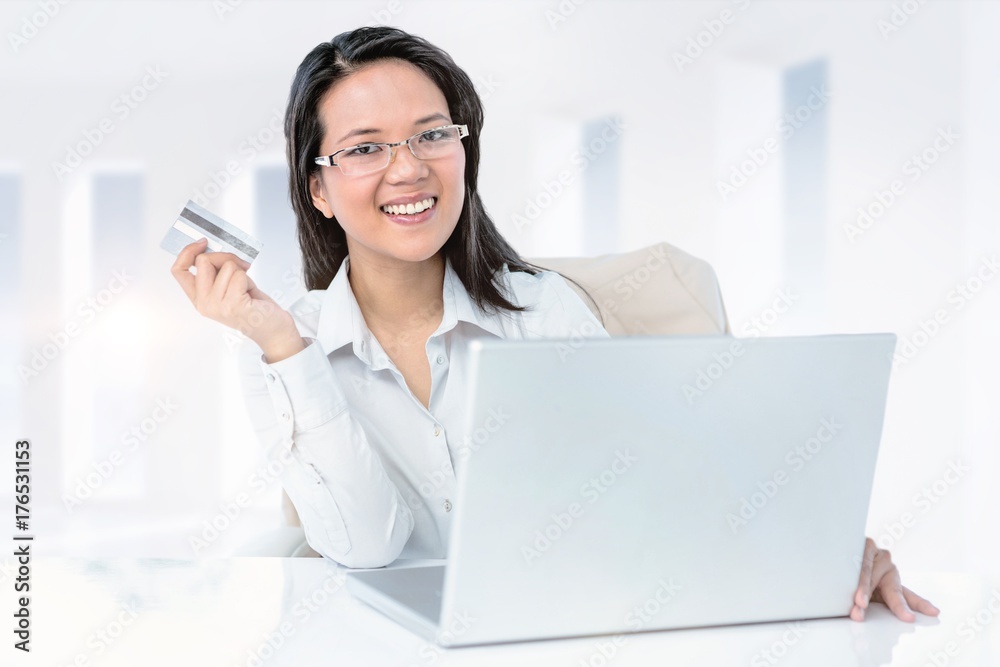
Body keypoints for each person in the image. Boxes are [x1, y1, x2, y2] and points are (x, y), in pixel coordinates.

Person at [170, 26, 938, 623]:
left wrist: (819, 553)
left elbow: (645, 508)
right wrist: (286, 347)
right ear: (320, 191)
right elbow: (369, 548)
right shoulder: (280, 346)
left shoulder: (543, 311)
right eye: (366, 148)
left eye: (433, 134)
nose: (408, 168)